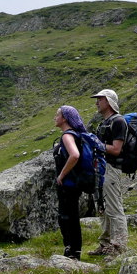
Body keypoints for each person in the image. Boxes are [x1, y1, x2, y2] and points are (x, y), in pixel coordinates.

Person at [89, 89, 129, 255]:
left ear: (109, 101)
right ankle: (105, 244)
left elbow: (117, 149)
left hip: (111, 169)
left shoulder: (118, 121)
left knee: (114, 207)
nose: (97, 102)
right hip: (100, 169)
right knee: (102, 207)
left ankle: (119, 247)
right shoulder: (103, 122)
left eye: (100, 99)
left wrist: (96, 144)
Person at [52, 105, 87, 260]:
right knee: (71, 216)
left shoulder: (67, 136)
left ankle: (71, 251)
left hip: (68, 184)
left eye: (57, 115)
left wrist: (61, 175)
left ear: (64, 118)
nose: (55, 117)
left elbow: (74, 155)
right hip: (74, 183)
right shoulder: (75, 134)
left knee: (67, 216)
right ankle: (74, 251)